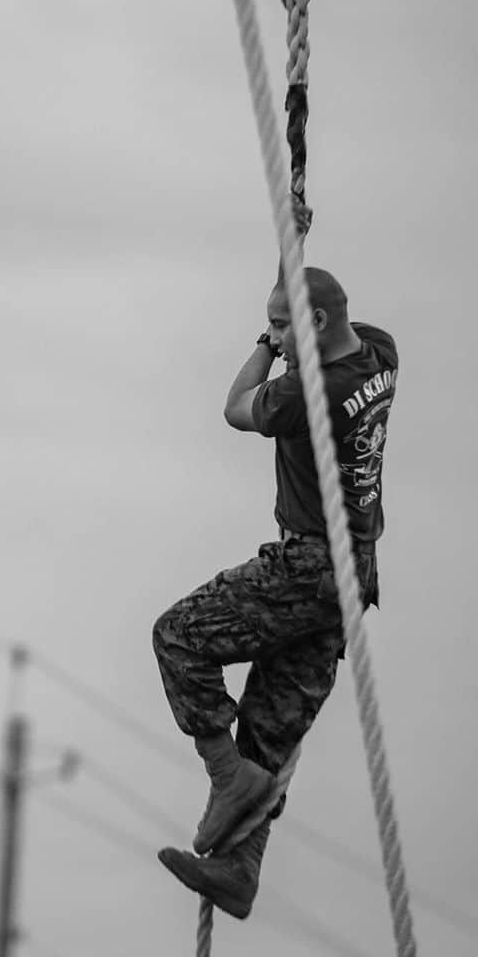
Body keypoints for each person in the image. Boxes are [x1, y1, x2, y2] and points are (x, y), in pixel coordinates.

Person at [152, 266, 398, 919]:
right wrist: (293, 291)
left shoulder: (304, 394)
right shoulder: (382, 358)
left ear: (315, 324)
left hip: (309, 566)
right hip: (351, 581)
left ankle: (223, 770)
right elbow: (350, 325)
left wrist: (264, 349)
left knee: (177, 636)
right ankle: (241, 869)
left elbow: (236, 407)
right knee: (270, 729)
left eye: (283, 326)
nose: (275, 338)